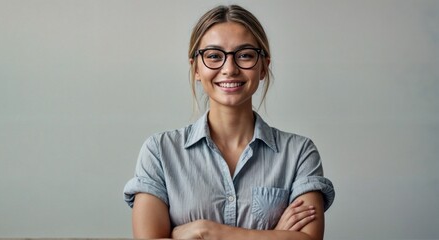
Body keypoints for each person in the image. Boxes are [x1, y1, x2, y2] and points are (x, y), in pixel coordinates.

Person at [123, 4, 335, 240]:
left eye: (245, 55)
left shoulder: (299, 153)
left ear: (264, 66)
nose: (229, 68)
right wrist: (276, 235)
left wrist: (207, 231)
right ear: (195, 68)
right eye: (214, 56)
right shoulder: (160, 152)